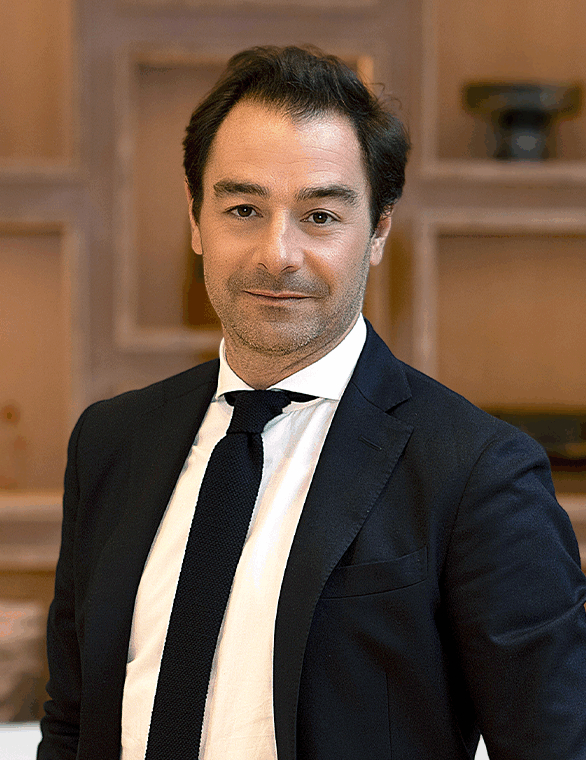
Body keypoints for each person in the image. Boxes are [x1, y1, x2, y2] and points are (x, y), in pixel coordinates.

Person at [38, 46, 586, 760]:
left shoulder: (478, 472)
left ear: (379, 230)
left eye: (320, 216)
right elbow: (73, 722)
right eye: (243, 209)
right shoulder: (113, 442)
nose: (278, 253)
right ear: (196, 219)